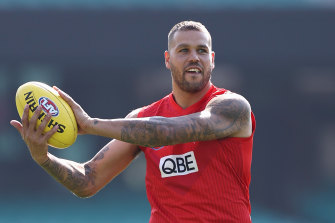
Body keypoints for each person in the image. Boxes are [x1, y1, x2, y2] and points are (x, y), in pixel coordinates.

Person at [10, 21, 256, 222]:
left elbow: (167, 131)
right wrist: (43, 157)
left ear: (212, 59)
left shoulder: (233, 108)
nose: (194, 57)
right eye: (183, 50)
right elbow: (87, 180)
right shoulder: (139, 119)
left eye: (201, 50)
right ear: (168, 59)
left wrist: (90, 124)